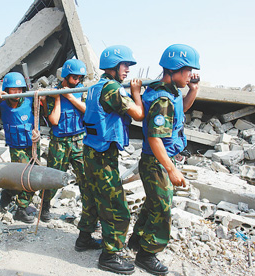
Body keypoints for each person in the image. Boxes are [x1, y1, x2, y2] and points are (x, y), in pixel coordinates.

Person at [128, 44, 200, 275]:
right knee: (162, 207)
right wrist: (171, 170)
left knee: (153, 203)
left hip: (161, 160)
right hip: (156, 161)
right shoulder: (162, 99)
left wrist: (194, 89)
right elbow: (155, 138)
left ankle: (137, 240)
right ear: (176, 69)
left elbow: (182, 110)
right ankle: (147, 255)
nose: (190, 75)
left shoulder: (173, 93)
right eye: (188, 71)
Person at [80, 45, 144, 275]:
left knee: (93, 197)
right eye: (124, 65)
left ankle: (84, 239)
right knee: (116, 207)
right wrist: (136, 93)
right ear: (114, 66)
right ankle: (110, 256)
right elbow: (137, 114)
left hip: (91, 149)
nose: (127, 70)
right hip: (102, 155)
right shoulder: (113, 88)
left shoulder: (97, 86)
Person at [41, 59, 89, 225]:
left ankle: (89, 212)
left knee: (85, 177)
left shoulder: (81, 91)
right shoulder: (53, 94)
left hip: (79, 141)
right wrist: (60, 97)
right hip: (60, 141)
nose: (77, 81)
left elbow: (88, 112)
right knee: (54, 176)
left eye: (80, 78)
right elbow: (54, 120)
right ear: (66, 76)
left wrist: (71, 97)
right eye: (74, 78)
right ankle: (45, 206)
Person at [0, 72, 39, 224]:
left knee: (27, 178)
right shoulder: (1, 104)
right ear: (7, 89)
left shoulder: (29, 101)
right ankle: (21, 208)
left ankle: (8, 192)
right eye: (14, 89)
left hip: (31, 146)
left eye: (20, 89)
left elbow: (45, 103)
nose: (18, 93)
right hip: (16, 148)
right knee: (29, 179)